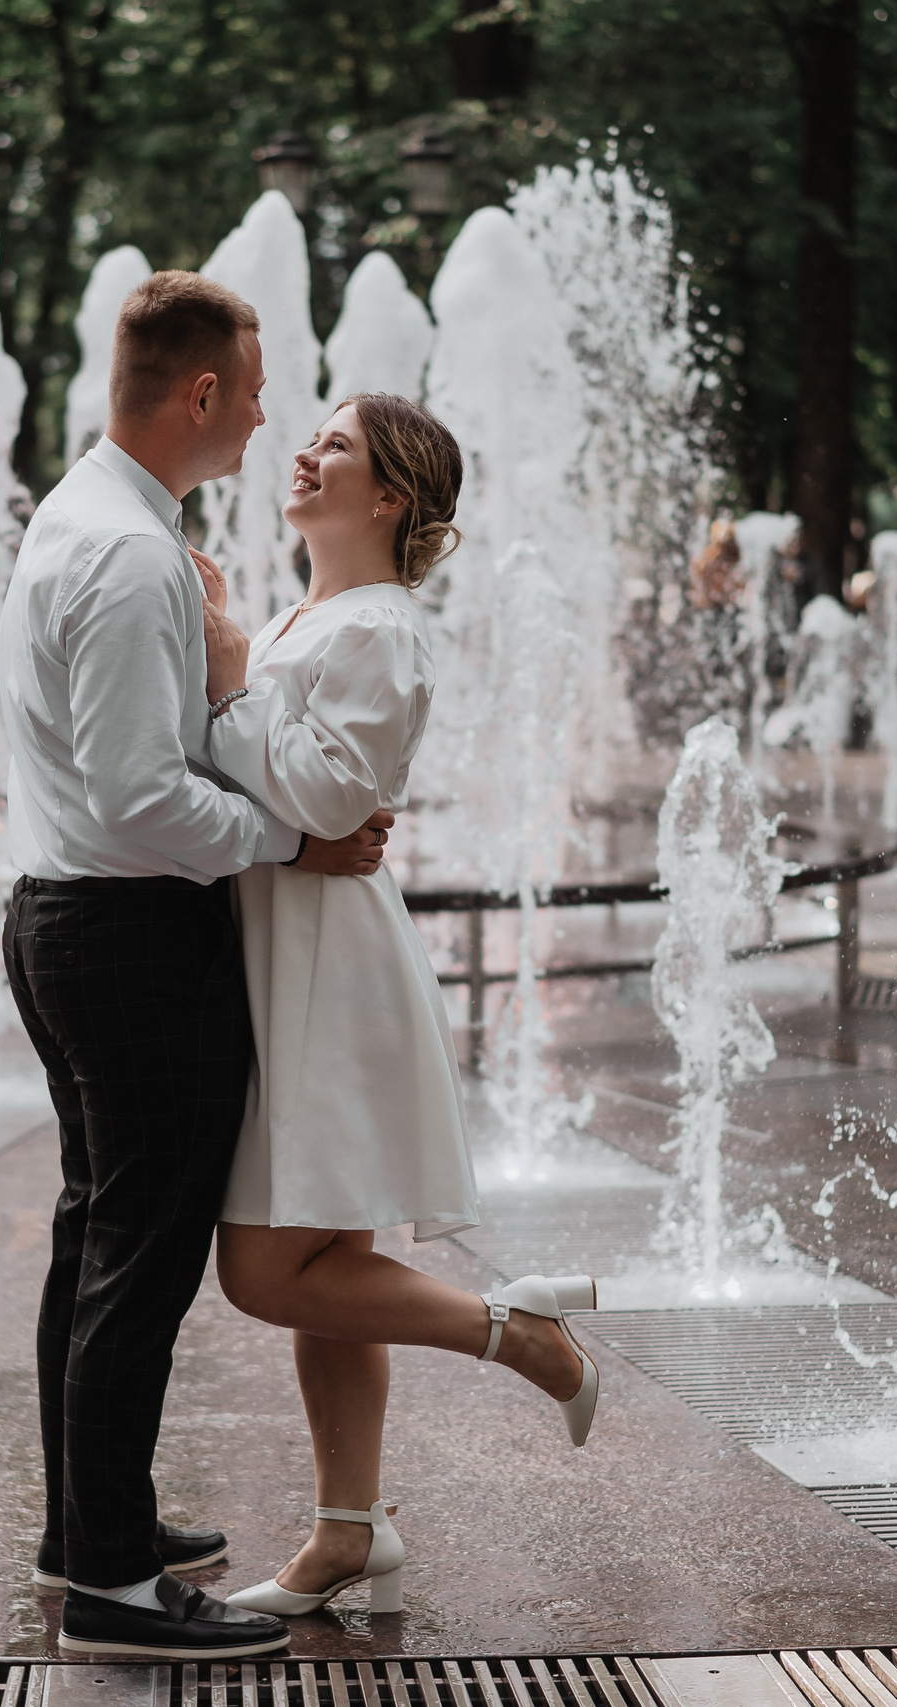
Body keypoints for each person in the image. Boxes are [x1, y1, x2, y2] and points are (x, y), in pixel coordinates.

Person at [0, 270, 394, 1662]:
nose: (270, 412)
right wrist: (291, 835)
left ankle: (84, 1519)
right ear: (203, 392)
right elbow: (131, 796)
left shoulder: (101, 517)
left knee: (95, 1232)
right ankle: (109, 1578)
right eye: (257, 383)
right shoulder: (123, 551)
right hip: (121, 928)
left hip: (76, 915)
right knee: (137, 1258)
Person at [196, 395, 600, 1621]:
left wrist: (227, 677)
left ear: (387, 500)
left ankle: (513, 1331)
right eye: (310, 435)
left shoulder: (379, 629)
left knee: (266, 1273)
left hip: (322, 963)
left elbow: (323, 798)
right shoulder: (310, 616)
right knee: (330, 1254)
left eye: (337, 446)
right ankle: (347, 1531)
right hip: (283, 943)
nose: (305, 452)